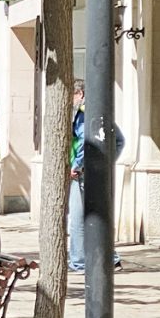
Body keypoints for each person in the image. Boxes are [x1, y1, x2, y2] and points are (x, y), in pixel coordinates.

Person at [68, 80, 124, 273]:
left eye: (72, 95)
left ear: (80, 94)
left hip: (81, 174)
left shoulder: (83, 115)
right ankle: (111, 258)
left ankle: (79, 261)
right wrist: (104, 165)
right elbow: (119, 141)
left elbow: (86, 143)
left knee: (77, 219)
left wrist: (78, 166)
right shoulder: (98, 114)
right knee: (95, 217)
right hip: (92, 172)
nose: (70, 100)